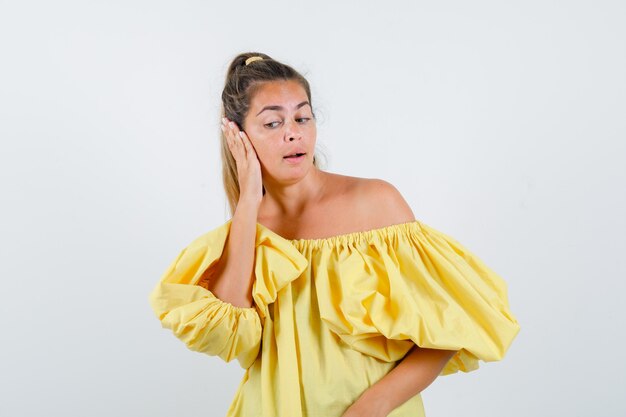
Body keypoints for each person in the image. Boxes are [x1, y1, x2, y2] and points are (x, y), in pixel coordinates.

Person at [148, 52, 520, 417]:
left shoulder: (374, 203)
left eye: (302, 117)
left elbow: (447, 328)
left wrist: (372, 407)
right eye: (272, 123)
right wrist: (247, 201)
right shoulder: (245, 234)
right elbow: (227, 330)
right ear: (237, 135)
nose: (293, 133)